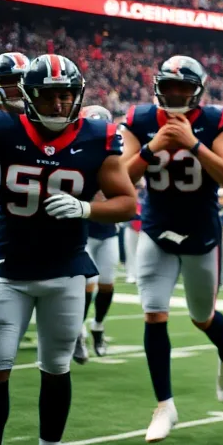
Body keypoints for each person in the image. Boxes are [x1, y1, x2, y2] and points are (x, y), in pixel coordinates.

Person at [0, 54, 137, 445]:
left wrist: (86, 208)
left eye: (64, 94)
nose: (57, 103)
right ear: (29, 95)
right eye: (47, 94)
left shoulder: (99, 135)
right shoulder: (5, 130)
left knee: (56, 369)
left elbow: (127, 203)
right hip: (8, 267)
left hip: (65, 268)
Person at [121, 55, 223, 443]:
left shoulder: (215, 120)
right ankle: (165, 405)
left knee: (201, 317)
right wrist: (151, 147)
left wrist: (193, 144)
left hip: (201, 233)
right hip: (156, 230)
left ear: (197, 91)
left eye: (183, 88)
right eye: (169, 87)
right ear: (158, 87)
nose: (175, 94)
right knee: (153, 313)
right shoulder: (140, 119)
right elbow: (117, 179)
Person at [80, 105, 120, 360]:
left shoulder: (115, 156)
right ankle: (77, 331)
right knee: (86, 286)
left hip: (107, 231)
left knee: (106, 285)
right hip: (82, 231)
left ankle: (98, 326)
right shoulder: (74, 155)